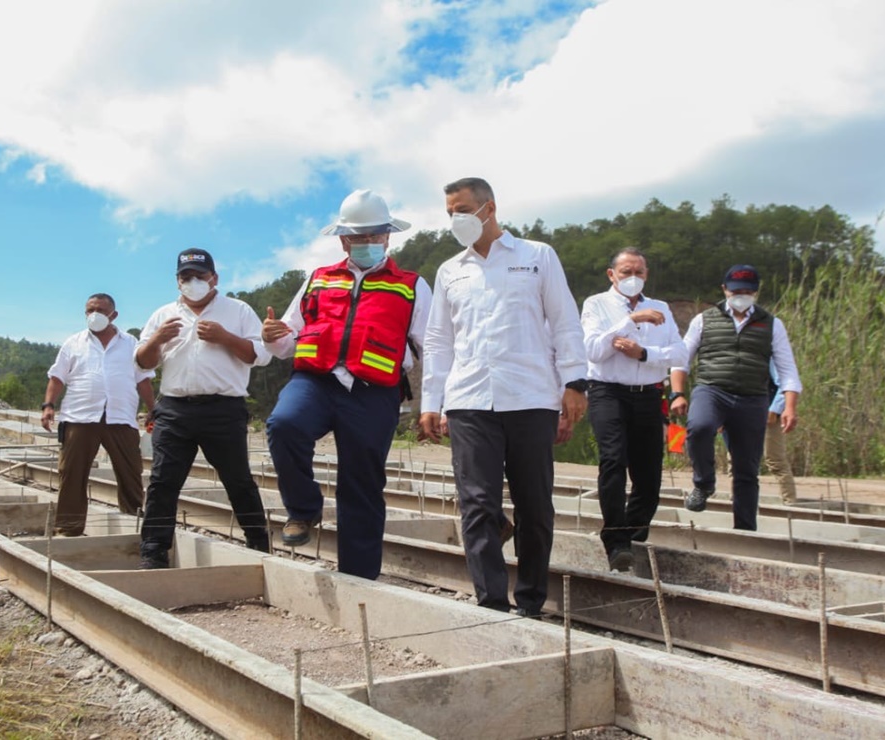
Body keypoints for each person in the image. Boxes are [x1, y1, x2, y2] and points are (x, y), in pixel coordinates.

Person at [420, 177, 588, 616]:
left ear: (488, 208)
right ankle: (490, 602)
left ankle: (531, 600)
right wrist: (430, 403)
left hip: (531, 396)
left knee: (534, 504)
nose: (454, 220)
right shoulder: (450, 270)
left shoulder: (536, 257)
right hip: (470, 399)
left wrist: (574, 382)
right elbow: (439, 341)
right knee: (477, 503)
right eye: (448, 212)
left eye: (460, 209)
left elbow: (565, 320)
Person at [262, 189, 431, 580]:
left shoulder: (411, 286)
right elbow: (288, 341)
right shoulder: (318, 280)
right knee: (285, 425)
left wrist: (432, 404)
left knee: (362, 483)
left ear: (389, 237)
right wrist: (272, 334)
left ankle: (359, 579)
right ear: (343, 240)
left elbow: (433, 348)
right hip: (316, 382)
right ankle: (303, 511)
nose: (369, 242)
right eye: (360, 236)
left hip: (374, 392)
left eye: (376, 235)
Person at [135, 249, 272, 569]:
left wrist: (225, 337)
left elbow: (259, 355)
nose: (193, 282)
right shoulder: (163, 315)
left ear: (214, 278)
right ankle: (154, 550)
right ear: (177, 281)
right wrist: (156, 339)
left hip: (223, 408)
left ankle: (259, 544)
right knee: (163, 480)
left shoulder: (237, 310)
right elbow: (143, 363)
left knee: (238, 479)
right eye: (186, 277)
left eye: (200, 276)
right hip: (174, 409)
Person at [669, 265, 801, 530]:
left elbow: (787, 370)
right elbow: (681, 360)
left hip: (752, 398)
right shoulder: (704, 319)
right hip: (712, 390)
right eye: (736, 290)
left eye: (747, 291)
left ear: (755, 292)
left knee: (746, 469)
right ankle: (704, 483)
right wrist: (678, 394)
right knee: (700, 427)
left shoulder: (772, 324)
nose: (741, 295)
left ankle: (745, 529)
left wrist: (789, 406)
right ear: (724, 289)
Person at [581, 248, 687, 571]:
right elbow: (594, 350)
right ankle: (615, 541)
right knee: (613, 459)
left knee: (649, 473)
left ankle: (634, 537)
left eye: (639, 272)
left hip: (648, 395)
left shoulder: (661, 308)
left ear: (647, 275)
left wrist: (644, 354)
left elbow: (679, 354)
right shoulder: (596, 304)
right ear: (611, 274)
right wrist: (630, 321)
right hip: (607, 392)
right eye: (626, 272)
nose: (633, 278)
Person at [41, 293, 156, 536]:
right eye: (90, 310)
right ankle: (68, 528)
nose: (94, 315)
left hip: (120, 416)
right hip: (80, 417)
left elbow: (143, 380)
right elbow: (57, 377)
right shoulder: (74, 343)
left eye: (101, 310)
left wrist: (153, 409)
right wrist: (48, 405)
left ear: (113, 315)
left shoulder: (130, 343)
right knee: (72, 473)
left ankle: (134, 525)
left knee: (130, 472)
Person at [763, 360, 798, 505]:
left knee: (775, 459)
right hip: (742, 411)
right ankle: (738, 500)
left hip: (768, 412)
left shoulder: (771, 355)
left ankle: (789, 502)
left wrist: (775, 409)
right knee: (735, 460)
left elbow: (785, 383)